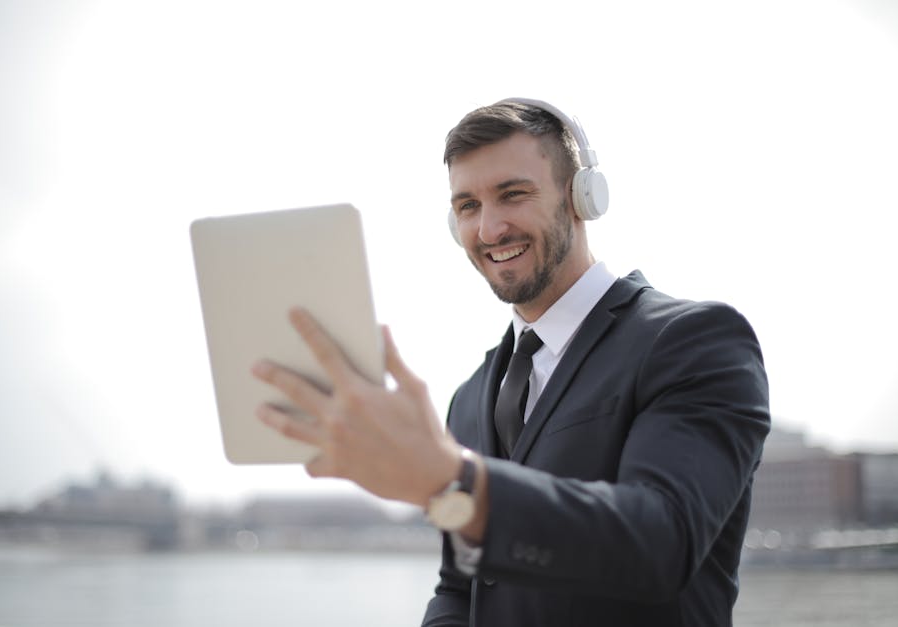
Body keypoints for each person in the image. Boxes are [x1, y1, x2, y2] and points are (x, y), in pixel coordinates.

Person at [252, 99, 770, 627]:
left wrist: (453, 478)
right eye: (467, 206)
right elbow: (461, 585)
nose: (489, 229)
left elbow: (661, 542)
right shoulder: (470, 398)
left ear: (581, 198)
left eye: (513, 195)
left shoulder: (692, 341)